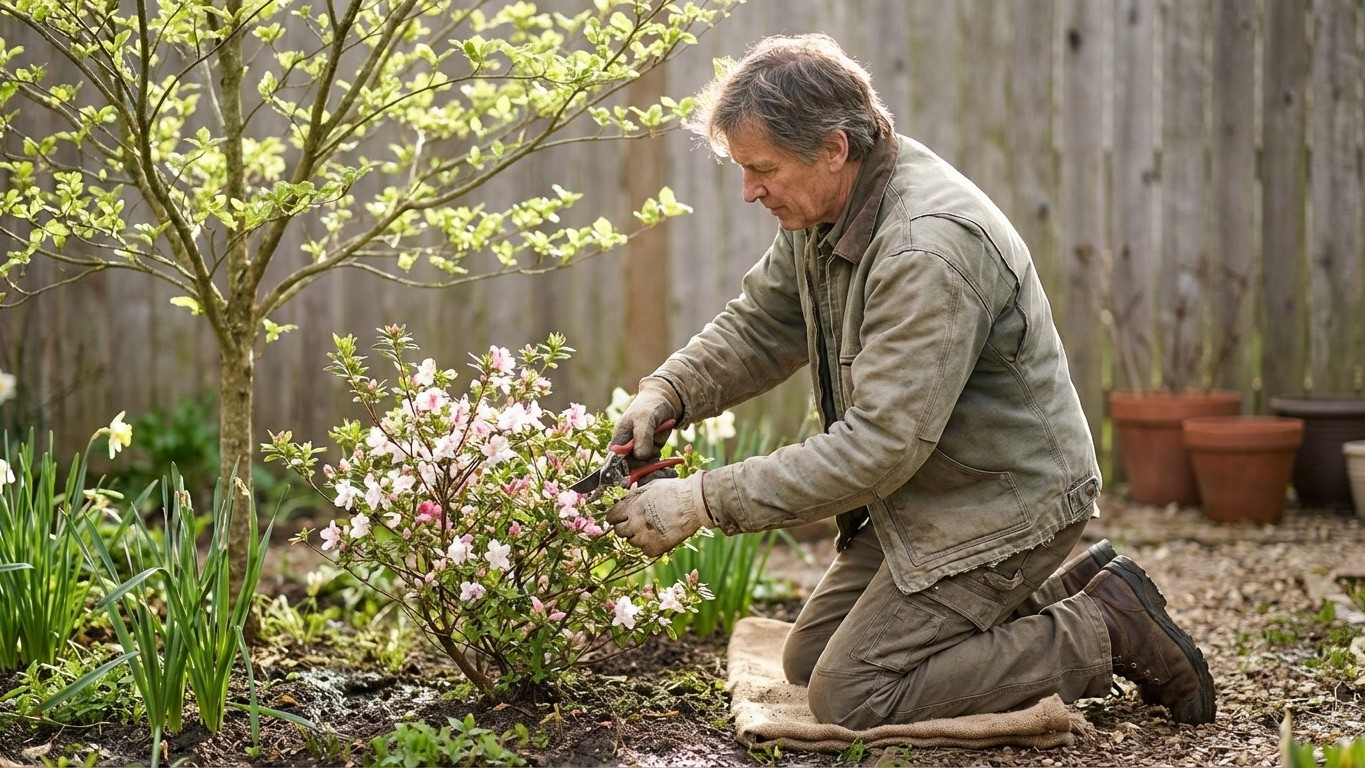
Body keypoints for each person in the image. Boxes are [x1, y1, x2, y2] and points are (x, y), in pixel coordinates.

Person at [604, 33, 1215, 728]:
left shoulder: (926, 246)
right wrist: (670, 390)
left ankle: (1105, 629)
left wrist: (702, 501)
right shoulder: (827, 206)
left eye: (761, 169)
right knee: (810, 661)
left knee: (853, 694)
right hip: (928, 494)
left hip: (1004, 501)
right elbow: (762, 323)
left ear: (833, 148)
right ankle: (1078, 594)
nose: (749, 191)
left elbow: (877, 448)